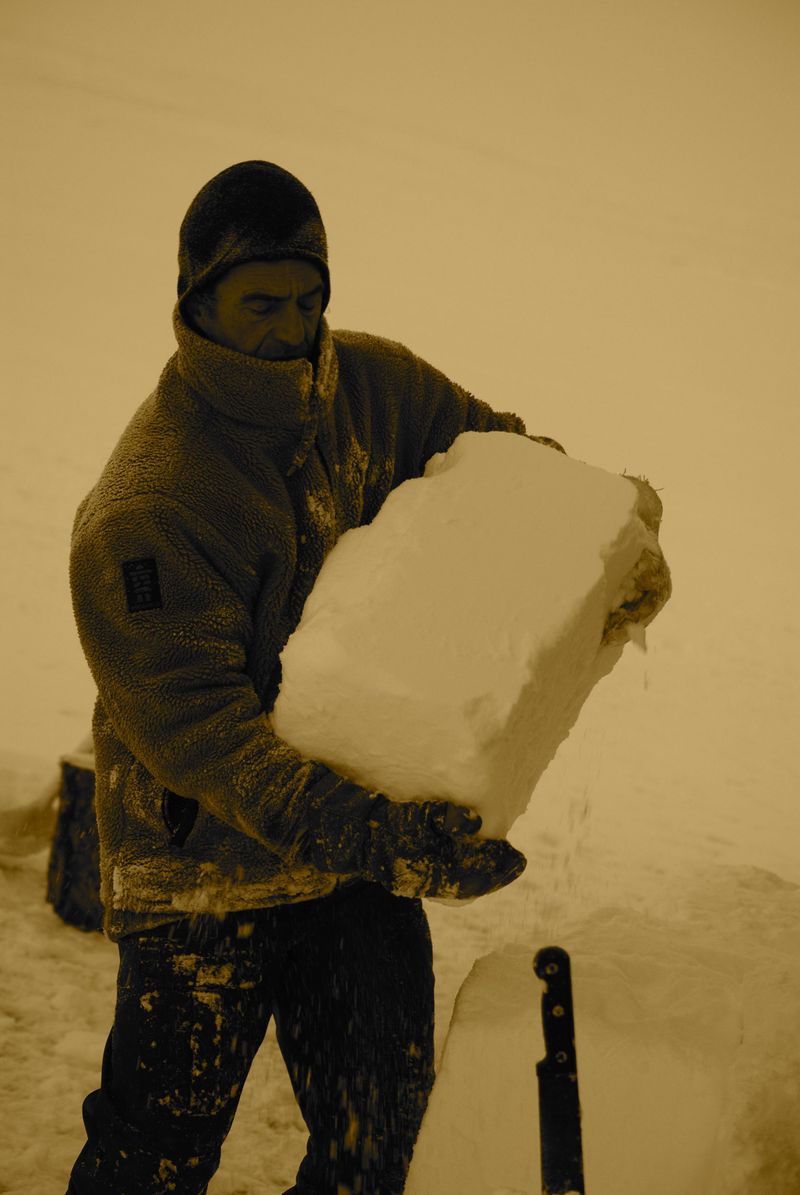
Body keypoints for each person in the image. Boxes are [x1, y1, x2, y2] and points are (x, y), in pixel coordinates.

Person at [64, 160, 668, 1195]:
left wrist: (607, 553)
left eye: (308, 300)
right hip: (201, 873)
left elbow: (520, 481)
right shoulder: (150, 506)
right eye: (260, 304)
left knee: (380, 1144)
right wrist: (378, 835)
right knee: (155, 1153)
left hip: (348, 869)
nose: (291, 329)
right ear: (195, 300)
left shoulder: (378, 390)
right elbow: (205, 737)